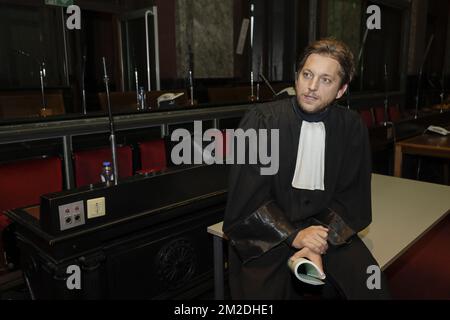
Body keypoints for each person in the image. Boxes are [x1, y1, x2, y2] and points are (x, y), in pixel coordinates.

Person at [223, 38, 390, 299]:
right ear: (297, 76)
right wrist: (294, 235)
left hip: (328, 230)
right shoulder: (261, 121)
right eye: (307, 75)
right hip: (268, 232)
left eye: (326, 80)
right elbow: (248, 198)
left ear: (341, 90)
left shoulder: (351, 127)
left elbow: (351, 196)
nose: (311, 87)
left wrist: (318, 240)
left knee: (372, 287)